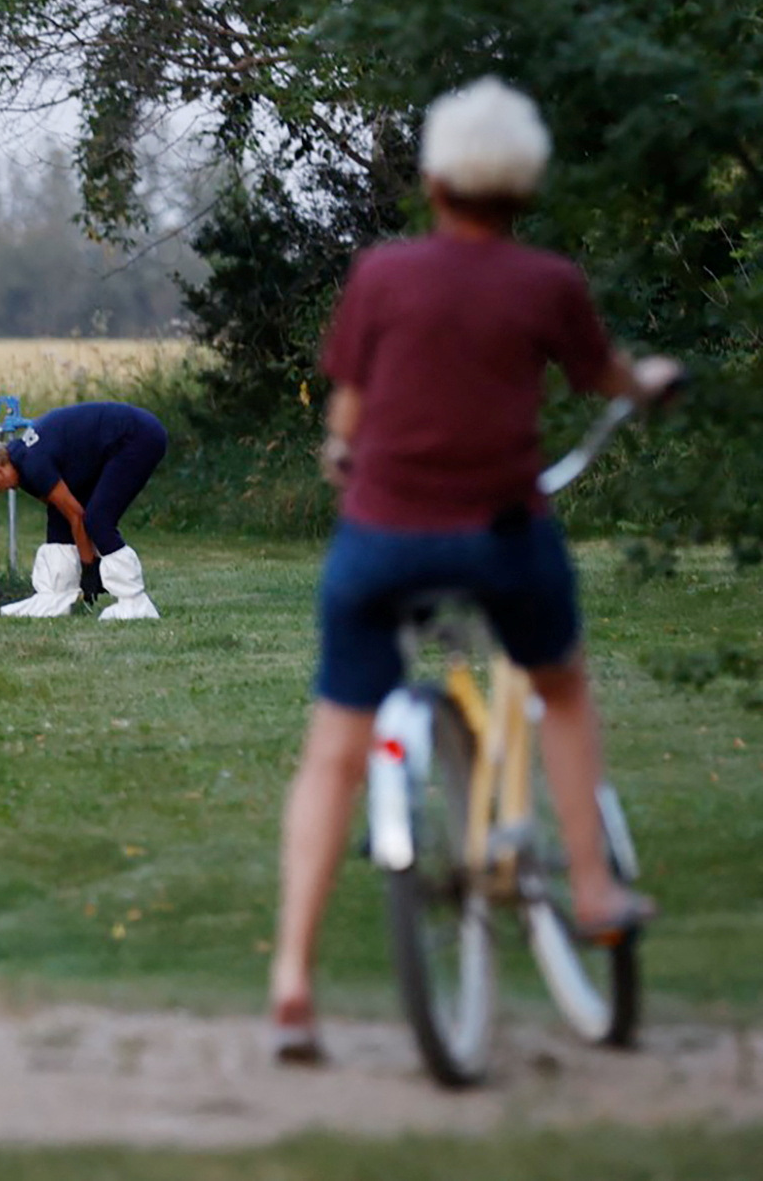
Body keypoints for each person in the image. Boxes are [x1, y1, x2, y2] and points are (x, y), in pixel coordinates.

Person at [268, 77, 681, 1063]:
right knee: (563, 684)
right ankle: (590, 884)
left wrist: (342, 455)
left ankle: (291, 974)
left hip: (379, 537)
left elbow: (349, 413)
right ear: (523, 184)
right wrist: (649, 381)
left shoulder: (379, 276)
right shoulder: (546, 283)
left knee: (335, 745)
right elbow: (607, 377)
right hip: (501, 535)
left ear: (435, 178)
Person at [0, 403, 168, 619]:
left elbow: (77, 515)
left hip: (137, 437)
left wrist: (89, 568)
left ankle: (135, 602)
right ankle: (56, 596)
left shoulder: (33, 464)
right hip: (112, 443)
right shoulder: (22, 462)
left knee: (98, 520)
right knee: (59, 519)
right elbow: (63, 512)